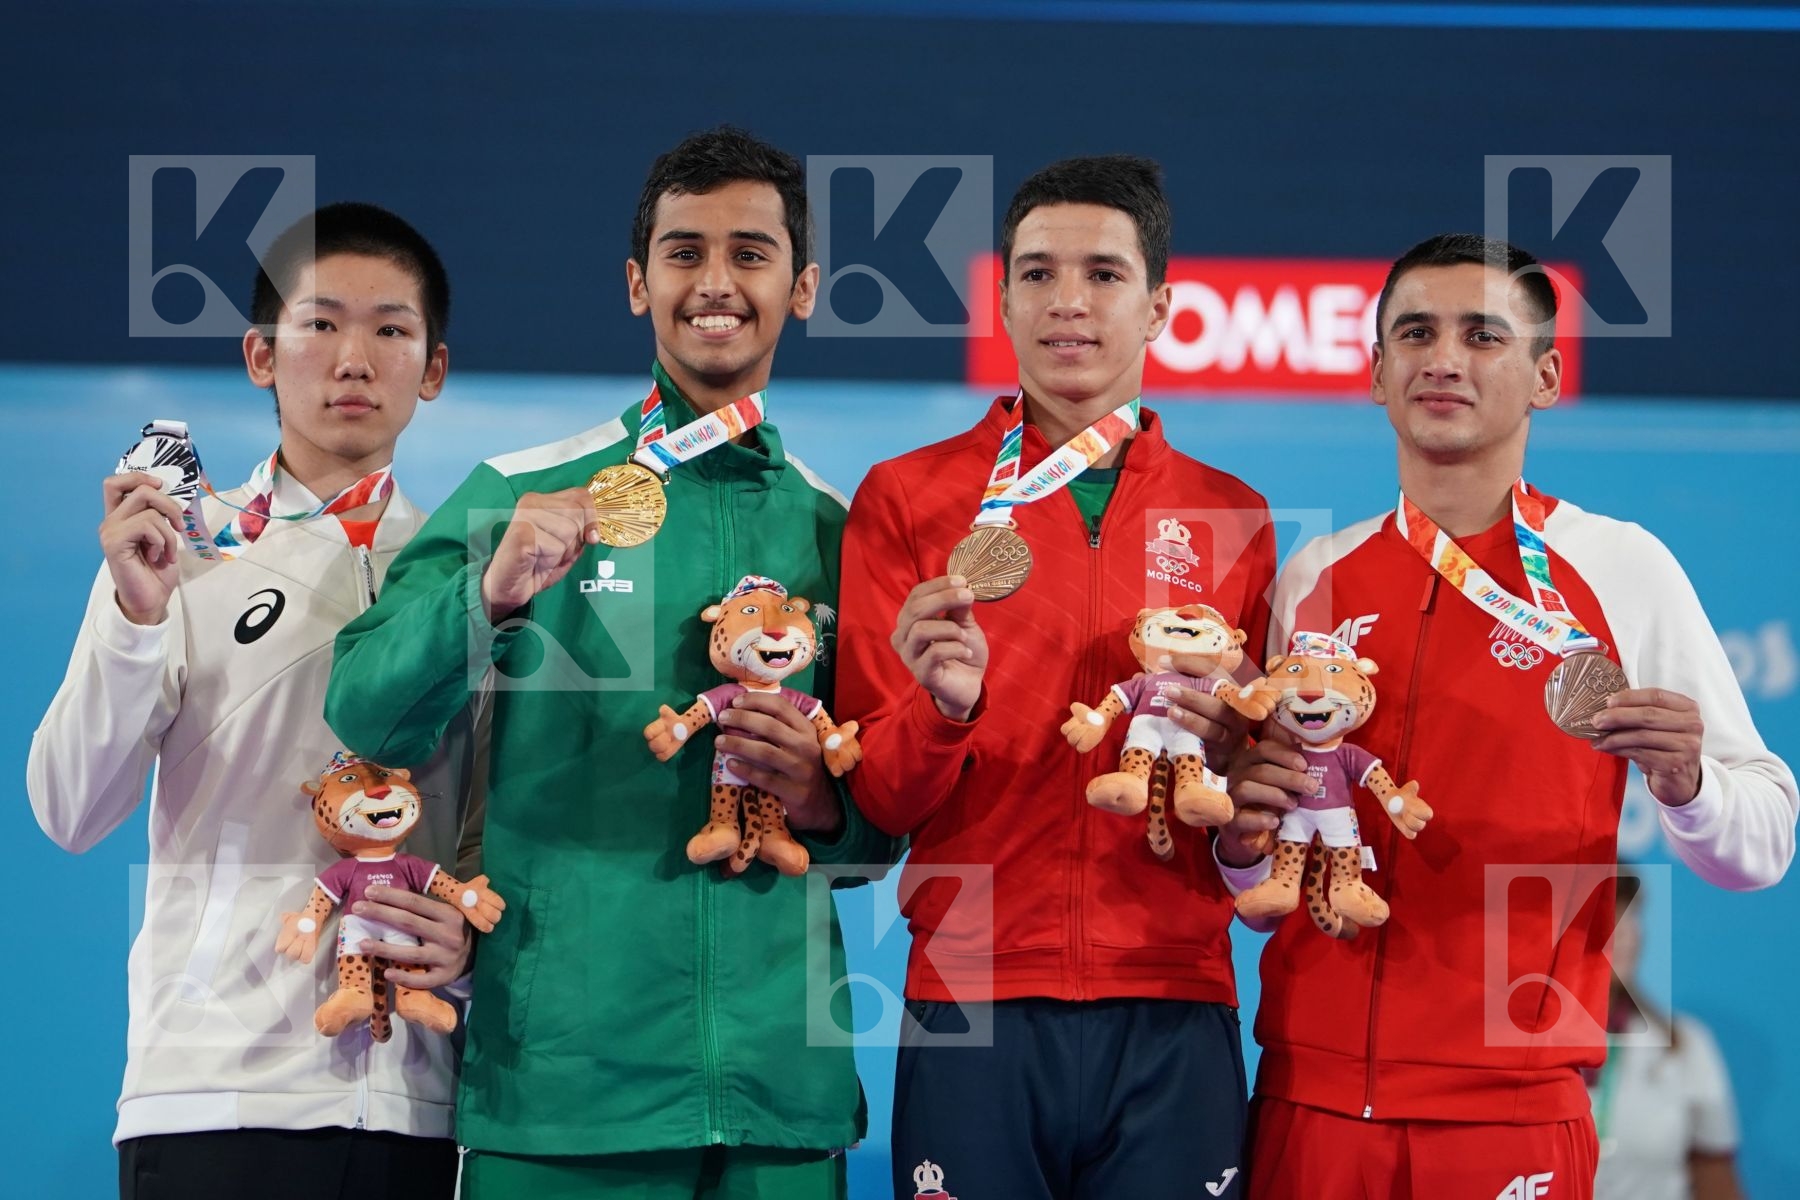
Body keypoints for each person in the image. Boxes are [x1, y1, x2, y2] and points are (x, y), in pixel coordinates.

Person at [323, 126, 894, 1199]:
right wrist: (486, 593)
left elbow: (880, 831)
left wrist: (826, 807)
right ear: (638, 284)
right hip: (564, 1097)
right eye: (683, 253)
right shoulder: (523, 491)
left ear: (803, 288)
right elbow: (366, 712)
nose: (714, 283)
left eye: (750, 254)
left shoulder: (838, 530)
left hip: (778, 1101)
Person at [1220, 233, 1797, 1200]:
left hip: (1513, 1107)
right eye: (1416, 333)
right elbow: (1257, 855)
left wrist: (1689, 786)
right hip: (1309, 1101)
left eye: (1483, 336)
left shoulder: (1621, 567)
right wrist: (1240, 836)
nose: (1444, 359)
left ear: (1546, 377)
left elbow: (1765, 843)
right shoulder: (1315, 575)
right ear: (1376, 372)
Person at [836, 155, 1276, 1200]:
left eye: (1104, 274)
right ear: (1002, 300)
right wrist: (943, 713)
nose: (1068, 301)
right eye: (1037, 273)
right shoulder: (908, 498)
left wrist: (1241, 763)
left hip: (1174, 997)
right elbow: (879, 800)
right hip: (972, 995)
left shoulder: (1234, 515)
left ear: (1159, 306)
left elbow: (1254, 800)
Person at [28, 202, 479, 1199]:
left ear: (433, 369)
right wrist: (136, 619)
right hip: (213, 1096)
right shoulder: (176, 550)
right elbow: (69, 809)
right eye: (320, 323)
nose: (353, 359)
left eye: (390, 329)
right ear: (260, 355)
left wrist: (473, 948)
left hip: (422, 1107)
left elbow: (493, 831)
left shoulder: (468, 577)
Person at [1590, 871, 1745, 1200]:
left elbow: (1714, 1175)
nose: (1624, 932)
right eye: (1609, 916)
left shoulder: (1685, 1044)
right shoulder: (1523, 1048)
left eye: (1631, 915)